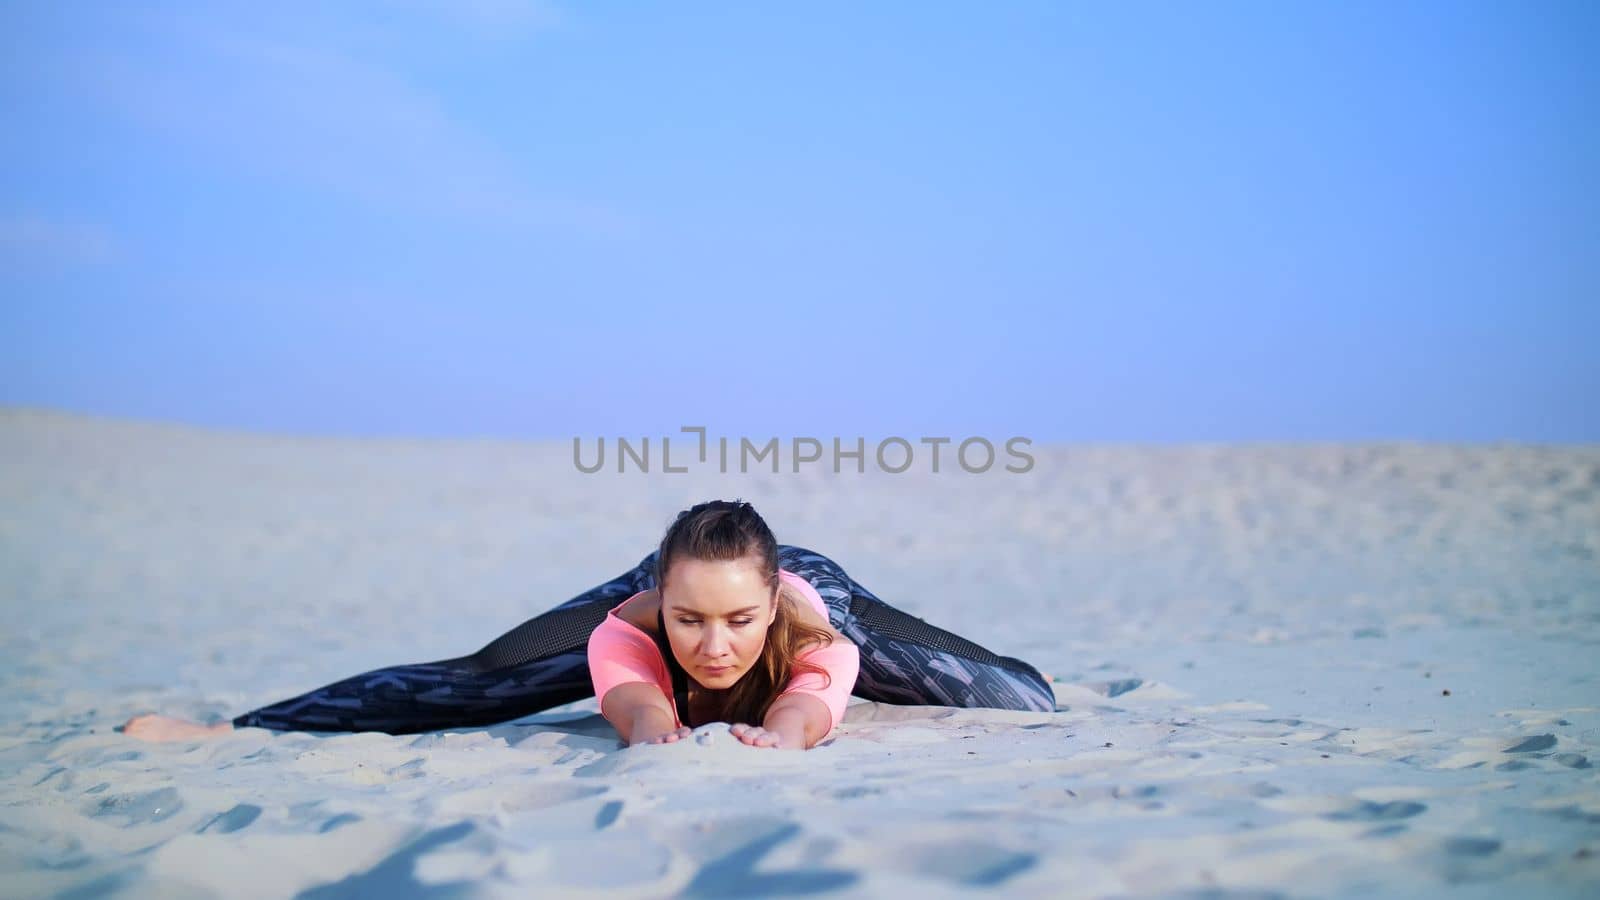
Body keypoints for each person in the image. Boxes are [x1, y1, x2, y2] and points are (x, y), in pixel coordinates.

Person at [124, 500, 1056, 750]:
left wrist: (773, 739)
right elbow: (643, 715)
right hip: (657, 575)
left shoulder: (812, 632)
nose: (714, 644)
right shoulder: (632, 624)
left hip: (817, 586)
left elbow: (806, 713)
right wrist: (661, 725)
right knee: (484, 675)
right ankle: (240, 725)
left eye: (736, 621)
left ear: (766, 609)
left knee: (1019, 698)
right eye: (691, 622)